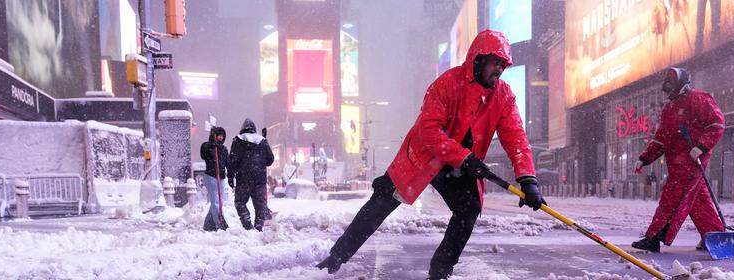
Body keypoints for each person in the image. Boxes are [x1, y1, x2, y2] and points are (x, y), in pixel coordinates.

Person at [316, 29, 545, 279]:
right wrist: (464, 157)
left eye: (503, 64)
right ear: (478, 59)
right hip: (423, 157)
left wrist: (528, 180)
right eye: (494, 63)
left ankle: (439, 273)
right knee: (380, 203)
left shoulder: (503, 96)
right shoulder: (447, 83)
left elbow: (516, 139)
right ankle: (335, 258)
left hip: (460, 166)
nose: (499, 69)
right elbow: (429, 130)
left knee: (468, 211)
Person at [632, 67, 726, 252]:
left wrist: (701, 147)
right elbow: (661, 139)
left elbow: (717, 124)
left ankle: (654, 237)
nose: (668, 90)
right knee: (698, 201)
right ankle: (715, 236)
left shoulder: (699, 99)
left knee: (673, 196)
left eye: (671, 85)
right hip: (676, 162)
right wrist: (645, 158)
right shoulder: (669, 108)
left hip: (691, 161)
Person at [227, 118, 275, 231]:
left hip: (243, 179)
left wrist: (230, 176)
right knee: (260, 205)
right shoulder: (262, 141)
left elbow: (232, 161)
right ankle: (258, 227)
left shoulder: (237, 141)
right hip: (259, 179)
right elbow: (270, 160)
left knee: (240, 202)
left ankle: (247, 225)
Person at [200, 126, 229, 231]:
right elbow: (203, 154)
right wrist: (211, 145)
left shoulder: (224, 149)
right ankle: (219, 224)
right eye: (219, 135)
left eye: (222, 136)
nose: (221, 138)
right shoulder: (206, 146)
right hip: (211, 177)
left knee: (219, 201)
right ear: (214, 135)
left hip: (220, 177)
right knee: (216, 201)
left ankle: (208, 224)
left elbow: (227, 163)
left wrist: (231, 174)